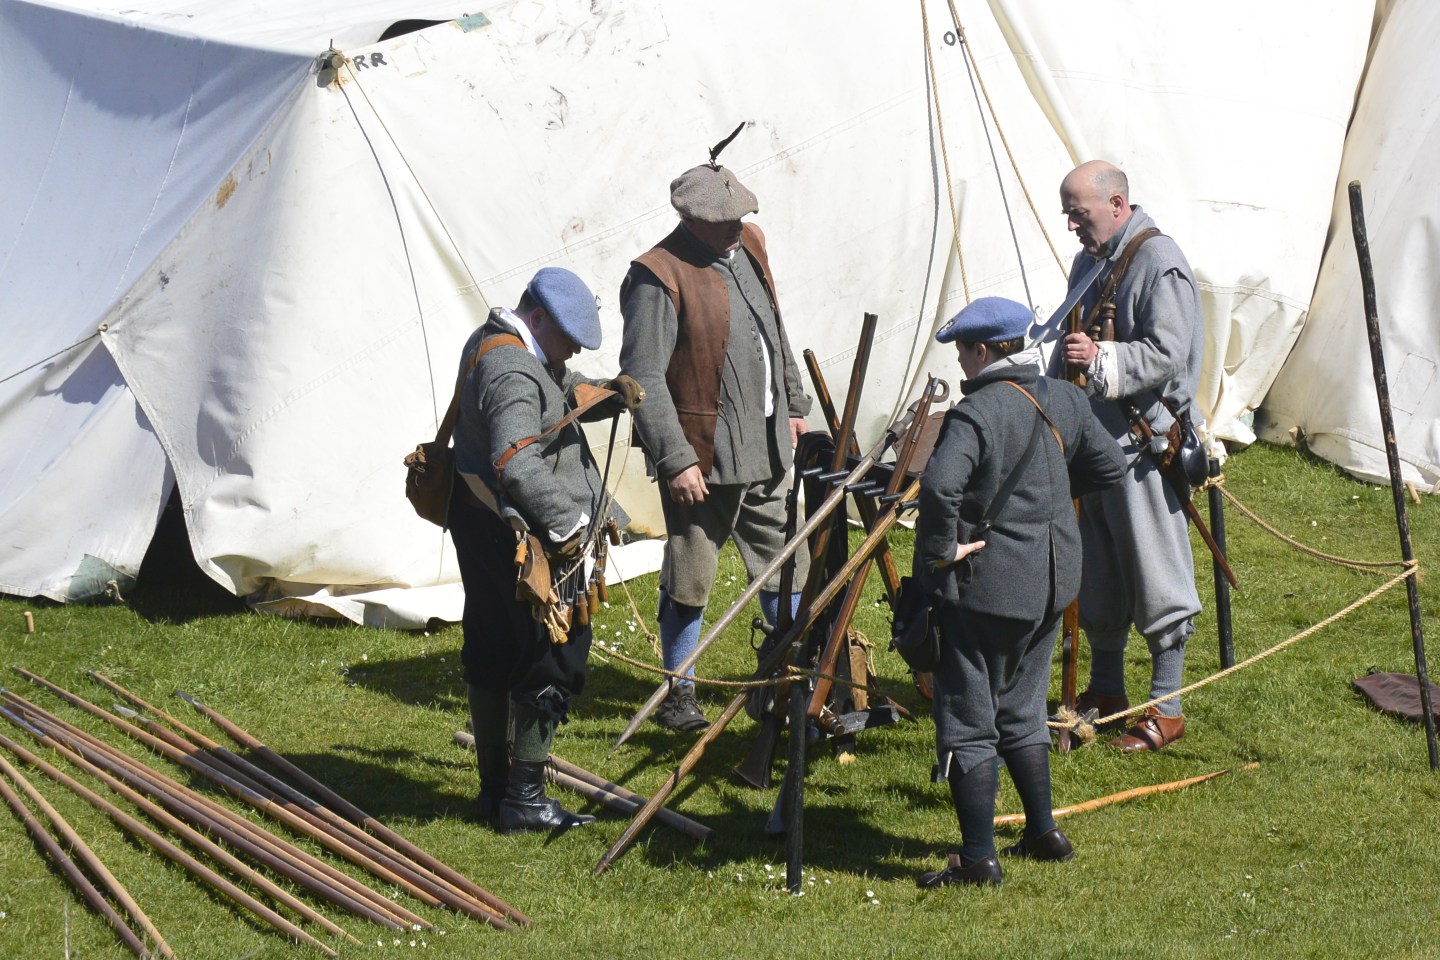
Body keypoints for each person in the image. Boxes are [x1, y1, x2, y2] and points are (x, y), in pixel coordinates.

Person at [915, 297, 1125, 888]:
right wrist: (1050, 495)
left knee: (968, 719)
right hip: (1053, 584)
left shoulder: (976, 413)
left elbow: (939, 488)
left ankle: (978, 858)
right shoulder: (1065, 399)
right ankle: (1042, 832)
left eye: (963, 352)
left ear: (983, 350)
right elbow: (1110, 466)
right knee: (1024, 709)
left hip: (987, 589)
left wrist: (942, 553)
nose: (961, 362)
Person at [619, 161, 812, 731]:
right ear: (692, 218)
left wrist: (793, 405)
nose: (737, 225)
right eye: (724, 219)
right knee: (691, 574)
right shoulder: (657, 276)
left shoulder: (749, 244)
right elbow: (643, 377)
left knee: (787, 563)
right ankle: (678, 693)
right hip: (702, 457)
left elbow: (773, 331)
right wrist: (675, 458)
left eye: (740, 215)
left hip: (768, 444)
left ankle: (789, 677)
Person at [449, 267, 643, 833]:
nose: (574, 349)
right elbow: (515, 459)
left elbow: (554, 388)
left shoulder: (497, 341)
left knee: (491, 646)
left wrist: (606, 393)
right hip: (521, 535)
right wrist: (571, 524)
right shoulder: (511, 368)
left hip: (481, 522)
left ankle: (495, 792)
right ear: (537, 318)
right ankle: (525, 799)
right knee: (554, 653)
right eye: (569, 338)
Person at [1054, 159, 1207, 752]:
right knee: (1099, 572)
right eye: (1068, 215)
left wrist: (1101, 359)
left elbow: (1169, 353)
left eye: (1079, 213)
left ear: (1116, 205)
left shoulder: (1159, 261)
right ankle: (1109, 689)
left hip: (1144, 447)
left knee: (1155, 574)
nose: (1072, 226)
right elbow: (1069, 342)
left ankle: (1167, 708)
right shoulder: (1088, 262)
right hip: (1094, 445)